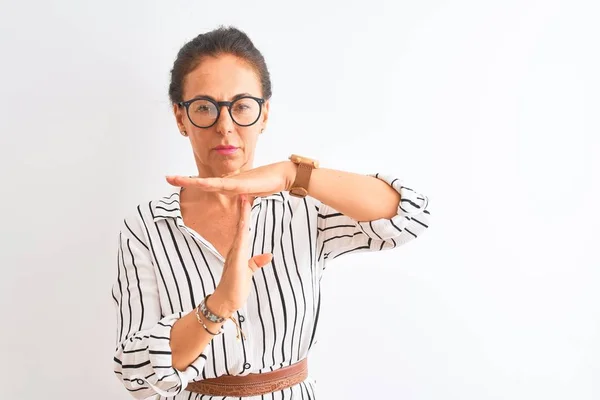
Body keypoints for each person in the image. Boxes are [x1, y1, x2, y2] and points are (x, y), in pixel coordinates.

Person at [112, 26, 431, 400]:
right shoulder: (148, 227)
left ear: (263, 115)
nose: (225, 125)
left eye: (242, 106)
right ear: (181, 118)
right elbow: (136, 373)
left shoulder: (301, 206)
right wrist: (218, 307)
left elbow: (409, 216)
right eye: (204, 107)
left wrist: (293, 174)